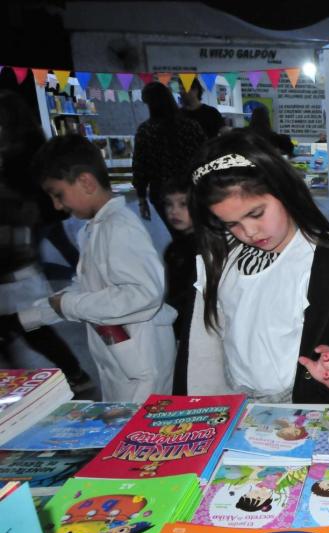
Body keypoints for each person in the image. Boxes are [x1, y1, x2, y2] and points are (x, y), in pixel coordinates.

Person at [177, 131, 329, 404]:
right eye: (230, 224)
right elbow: (203, 340)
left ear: (284, 191)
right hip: (236, 401)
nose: (248, 231)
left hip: (307, 402)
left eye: (256, 213)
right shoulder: (218, 256)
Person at [19, 134, 176, 402]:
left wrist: (69, 305)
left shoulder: (119, 228)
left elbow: (144, 294)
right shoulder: (94, 229)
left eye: (59, 195)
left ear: (86, 182)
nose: (58, 205)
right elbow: (86, 288)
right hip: (120, 358)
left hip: (141, 361)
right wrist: (31, 316)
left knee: (137, 433)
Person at [0, 91, 91, 391]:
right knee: (22, 321)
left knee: (29, 321)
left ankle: (75, 375)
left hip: (21, 237)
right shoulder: (21, 144)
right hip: (23, 236)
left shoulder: (23, 148)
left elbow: (141, 295)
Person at [133, 82, 206, 223]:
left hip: (162, 193)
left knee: (175, 233)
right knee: (196, 233)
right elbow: (205, 157)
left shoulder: (146, 130)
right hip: (192, 190)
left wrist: (142, 198)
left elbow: (140, 167)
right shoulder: (191, 126)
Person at [161, 178, 196, 360]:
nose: (174, 211)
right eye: (169, 204)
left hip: (194, 328)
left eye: (183, 204)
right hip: (179, 325)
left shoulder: (204, 248)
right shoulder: (174, 247)